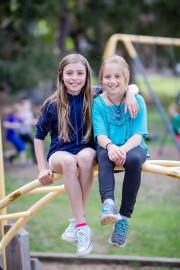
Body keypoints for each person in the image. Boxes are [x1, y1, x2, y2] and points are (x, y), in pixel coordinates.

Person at [34, 53, 139, 257]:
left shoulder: (96, 95)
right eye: (70, 73)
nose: (75, 78)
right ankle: (82, 226)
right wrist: (41, 168)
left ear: (87, 75)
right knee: (68, 161)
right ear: (61, 76)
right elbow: (38, 136)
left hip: (86, 149)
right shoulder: (52, 103)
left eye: (80, 73)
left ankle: (76, 222)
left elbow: (129, 86)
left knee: (82, 158)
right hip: (60, 153)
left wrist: (132, 93)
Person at [92, 55, 148, 248]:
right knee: (101, 155)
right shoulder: (98, 104)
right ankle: (108, 203)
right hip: (108, 146)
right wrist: (111, 147)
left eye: (117, 76)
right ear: (101, 79)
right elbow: (99, 134)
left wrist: (122, 149)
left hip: (132, 147)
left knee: (134, 160)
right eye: (107, 76)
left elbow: (138, 135)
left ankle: (123, 218)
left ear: (126, 78)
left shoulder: (137, 100)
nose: (112, 81)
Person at [19, 99, 37, 164]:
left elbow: (31, 120)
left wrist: (37, 121)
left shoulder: (29, 113)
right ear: (23, 105)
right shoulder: (22, 113)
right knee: (32, 144)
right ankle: (35, 160)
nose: (28, 106)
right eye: (27, 105)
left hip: (27, 132)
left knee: (22, 146)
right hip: (23, 133)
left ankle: (9, 156)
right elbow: (25, 122)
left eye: (29, 105)